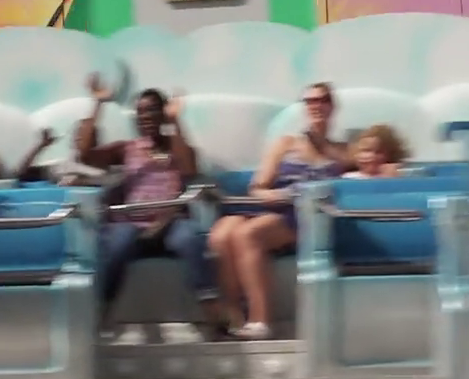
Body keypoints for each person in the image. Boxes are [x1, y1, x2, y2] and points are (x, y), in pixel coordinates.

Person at [73, 75, 219, 336]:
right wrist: (98, 103)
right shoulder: (127, 148)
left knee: (190, 239)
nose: (145, 116)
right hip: (133, 223)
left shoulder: (177, 147)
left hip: (172, 223)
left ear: (162, 113)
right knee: (118, 242)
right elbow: (84, 154)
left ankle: (212, 315)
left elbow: (188, 169)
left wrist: (175, 121)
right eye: (140, 111)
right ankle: (101, 313)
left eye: (151, 110)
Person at [208, 82, 348, 340]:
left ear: (332, 106)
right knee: (221, 234)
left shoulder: (342, 151)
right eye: (309, 101)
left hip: (309, 215)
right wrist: (278, 195)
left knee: (248, 234)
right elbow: (257, 187)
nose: (315, 106)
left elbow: (371, 171)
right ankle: (233, 316)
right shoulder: (286, 144)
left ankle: (260, 320)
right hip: (279, 206)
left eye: (321, 100)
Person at [344, 124, 408, 179]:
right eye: (366, 150)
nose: (372, 156)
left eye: (379, 152)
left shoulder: (398, 177)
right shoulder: (348, 178)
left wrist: (390, 178)